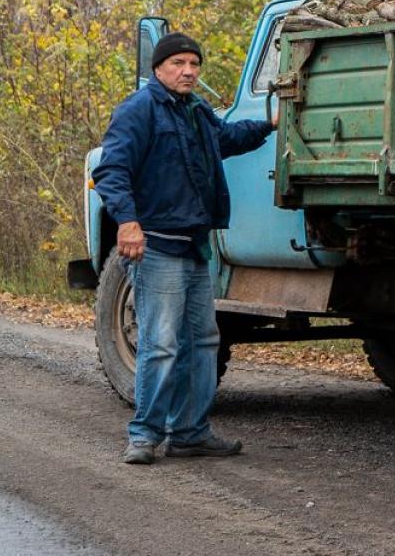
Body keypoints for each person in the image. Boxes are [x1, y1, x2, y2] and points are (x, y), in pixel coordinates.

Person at [92, 32, 275, 465]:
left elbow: (226, 140)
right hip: (156, 247)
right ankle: (145, 434)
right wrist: (129, 223)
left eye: (194, 63)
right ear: (158, 69)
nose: (188, 70)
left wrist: (269, 125)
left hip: (194, 247)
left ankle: (191, 431)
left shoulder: (196, 110)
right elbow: (111, 170)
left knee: (203, 341)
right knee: (160, 344)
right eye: (178, 63)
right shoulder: (139, 111)